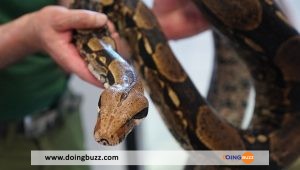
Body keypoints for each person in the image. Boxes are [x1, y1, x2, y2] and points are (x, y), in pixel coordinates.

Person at [0, 0, 208, 170]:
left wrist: (74, 9)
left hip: (60, 120)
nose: (105, 133)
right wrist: (30, 31)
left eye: (124, 122)